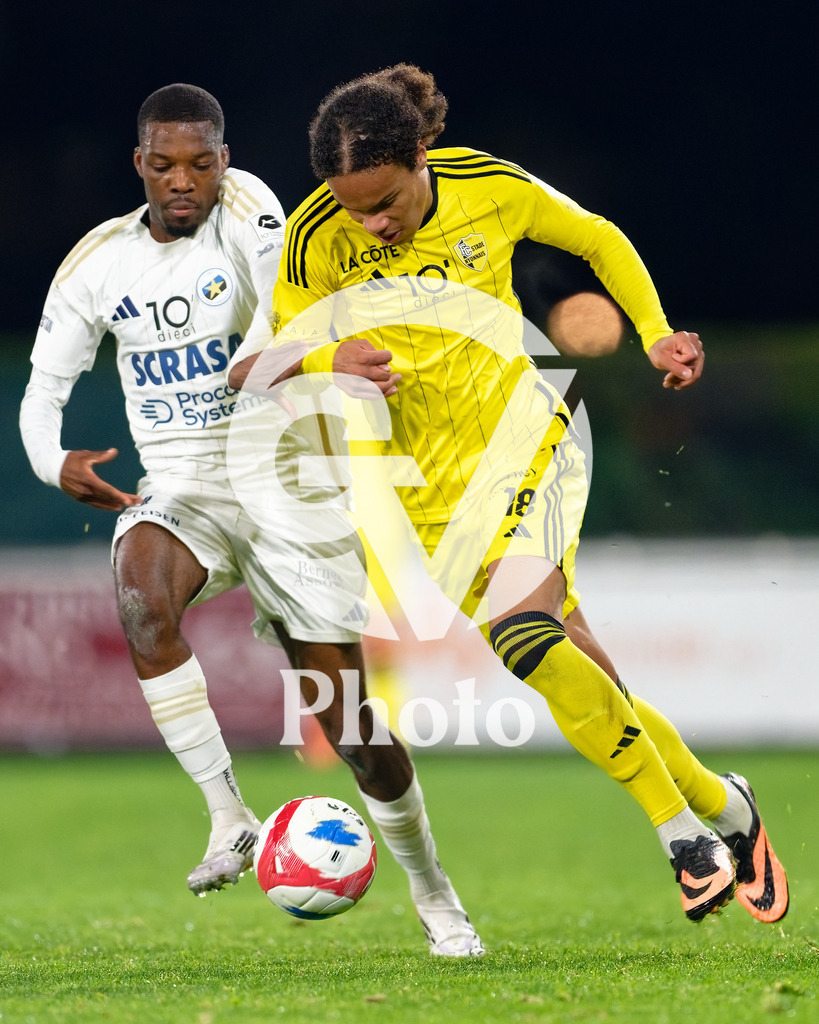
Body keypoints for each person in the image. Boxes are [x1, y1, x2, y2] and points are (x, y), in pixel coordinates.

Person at [227, 64, 788, 925]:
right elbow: (254, 368)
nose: (371, 224)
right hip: (427, 499)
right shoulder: (314, 241)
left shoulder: (487, 186)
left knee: (523, 638)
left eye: (384, 202)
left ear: (421, 156)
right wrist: (322, 358)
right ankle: (727, 807)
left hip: (526, 444)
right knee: (584, 677)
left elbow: (597, 238)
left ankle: (682, 837)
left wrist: (654, 332)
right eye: (353, 208)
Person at [18, 83, 485, 957]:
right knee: (139, 598)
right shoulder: (96, 265)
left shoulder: (255, 212)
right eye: (165, 166)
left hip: (284, 478)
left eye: (201, 162)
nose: (184, 180)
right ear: (140, 166)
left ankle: (436, 896)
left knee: (352, 731)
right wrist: (55, 462)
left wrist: (312, 358)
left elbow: (280, 321)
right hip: (184, 484)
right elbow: (44, 394)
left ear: (223, 160)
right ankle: (229, 816)